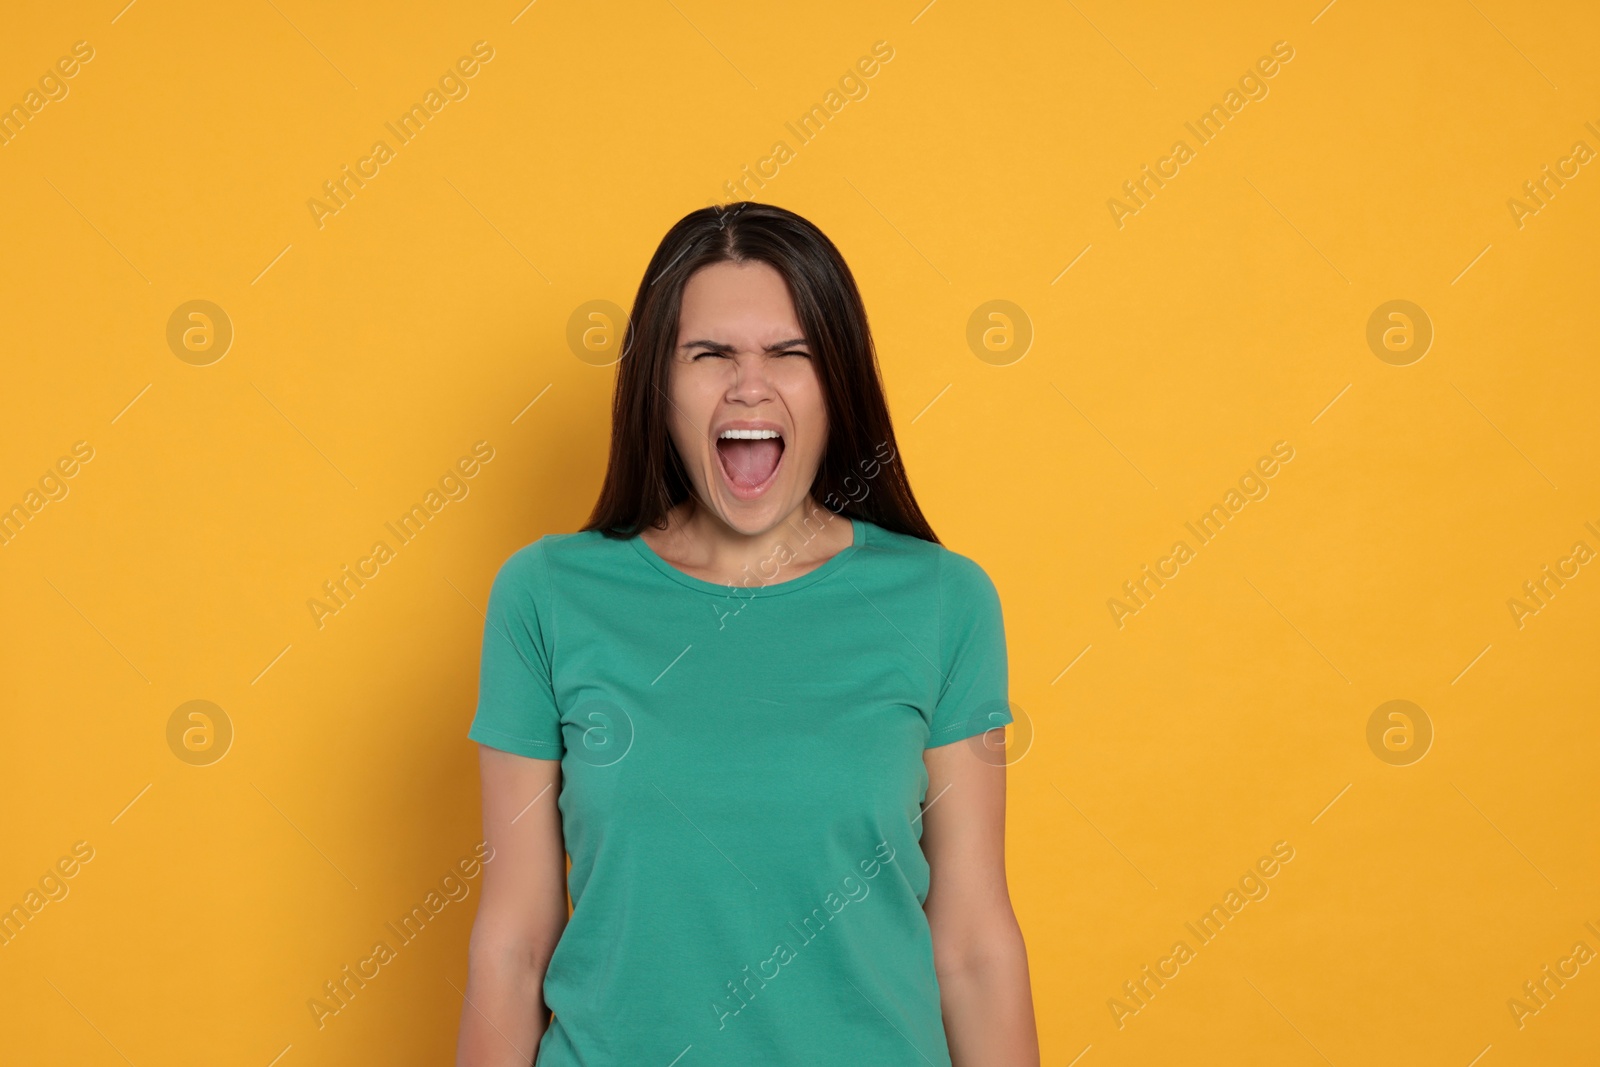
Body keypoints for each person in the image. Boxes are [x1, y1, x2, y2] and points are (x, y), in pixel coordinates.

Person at [456, 201, 1039, 1066]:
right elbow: (513, 943)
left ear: (836, 383)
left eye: (789, 353)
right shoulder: (545, 596)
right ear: (659, 384)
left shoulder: (943, 602)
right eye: (711, 354)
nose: (749, 384)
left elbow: (973, 945)